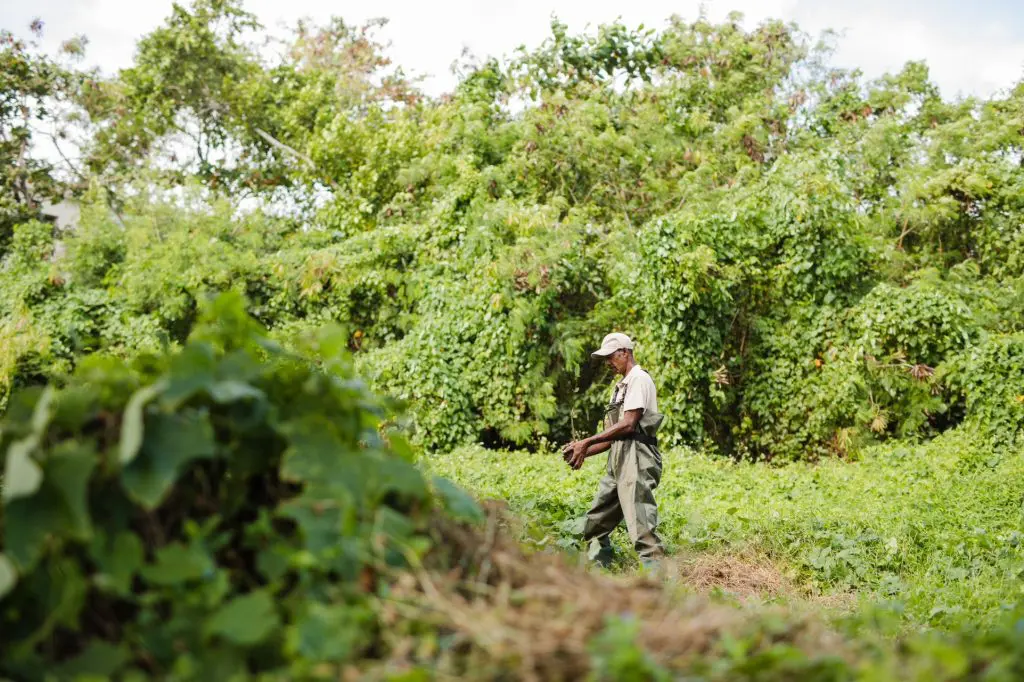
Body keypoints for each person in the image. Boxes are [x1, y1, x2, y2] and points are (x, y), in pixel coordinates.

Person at [561, 332, 666, 570]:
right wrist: (582, 450)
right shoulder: (620, 387)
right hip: (618, 457)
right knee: (596, 521)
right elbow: (611, 437)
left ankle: (658, 582)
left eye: (611, 357)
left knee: (641, 525)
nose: (608, 362)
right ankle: (600, 572)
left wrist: (585, 441)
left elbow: (628, 424)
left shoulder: (639, 379)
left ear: (624, 353)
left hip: (637, 457)